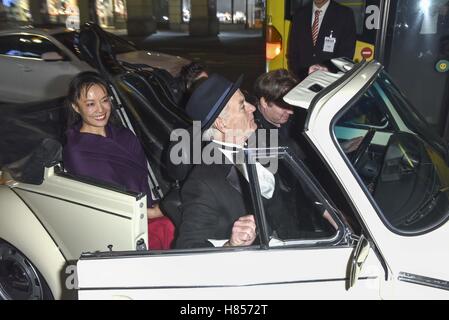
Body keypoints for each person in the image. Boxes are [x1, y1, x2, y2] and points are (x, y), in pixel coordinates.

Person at [175, 74, 337, 249]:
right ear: (222, 124)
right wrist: (230, 245)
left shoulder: (261, 141)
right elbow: (188, 246)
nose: (252, 107)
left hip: (294, 238)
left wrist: (330, 213)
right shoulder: (203, 181)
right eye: (242, 106)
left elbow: (298, 182)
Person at [62, 72, 175, 250]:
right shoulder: (77, 150)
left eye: (105, 100)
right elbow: (107, 203)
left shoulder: (124, 135)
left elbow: (142, 181)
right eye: (90, 104)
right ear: (76, 107)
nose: (101, 110)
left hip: (145, 211)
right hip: (117, 226)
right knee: (171, 227)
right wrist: (154, 213)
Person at [288, 0, 357, 79]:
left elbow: (347, 53)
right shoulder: (299, 14)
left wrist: (327, 71)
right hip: (302, 81)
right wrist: (301, 74)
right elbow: (293, 52)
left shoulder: (345, 14)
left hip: (331, 80)